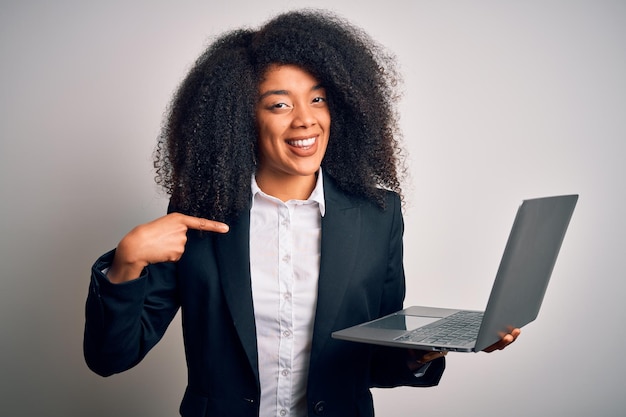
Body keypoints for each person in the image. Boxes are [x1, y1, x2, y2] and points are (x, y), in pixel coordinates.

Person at [83, 9, 520, 417]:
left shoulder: (378, 216)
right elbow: (111, 358)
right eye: (279, 104)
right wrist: (127, 263)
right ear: (240, 118)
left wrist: (423, 349)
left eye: (318, 99)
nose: (305, 120)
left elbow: (372, 363)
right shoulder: (197, 217)